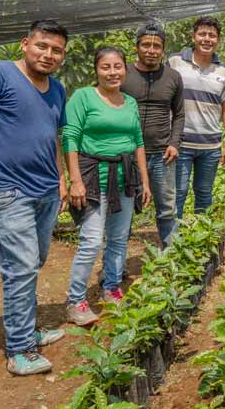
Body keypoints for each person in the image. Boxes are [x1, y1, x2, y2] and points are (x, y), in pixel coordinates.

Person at [0, 20, 69, 375]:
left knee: (32, 263)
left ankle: (27, 329)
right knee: (20, 268)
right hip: (9, 191)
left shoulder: (57, 89)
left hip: (46, 191)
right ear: (25, 44)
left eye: (56, 50)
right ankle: (20, 348)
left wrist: (62, 179)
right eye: (42, 46)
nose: (48, 55)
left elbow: (52, 136)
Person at [63, 47, 151, 326]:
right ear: (96, 70)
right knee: (90, 241)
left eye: (117, 67)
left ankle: (111, 288)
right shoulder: (83, 97)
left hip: (125, 179)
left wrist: (144, 182)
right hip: (92, 179)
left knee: (118, 237)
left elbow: (138, 142)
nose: (112, 72)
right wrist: (74, 180)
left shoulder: (130, 102)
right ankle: (76, 300)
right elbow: (70, 138)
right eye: (106, 67)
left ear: (125, 69)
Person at [120, 23, 184, 247]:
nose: (151, 50)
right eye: (146, 44)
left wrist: (174, 143)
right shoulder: (123, 74)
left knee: (167, 209)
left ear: (163, 49)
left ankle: (173, 260)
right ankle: (117, 264)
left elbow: (179, 114)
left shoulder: (173, 77)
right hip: (126, 155)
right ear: (137, 47)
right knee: (123, 210)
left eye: (157, 46)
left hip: (161, 154)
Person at [168, 16, 225, 217]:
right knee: (178, 193)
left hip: (210, 147)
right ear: (193, 36)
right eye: (202, 34)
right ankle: (174, 241)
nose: (207, 39)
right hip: (180, 144)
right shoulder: (174, 62)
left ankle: (201, 238)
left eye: (212, 35)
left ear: (218, 40)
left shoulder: (224, 72)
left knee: (204, 194)